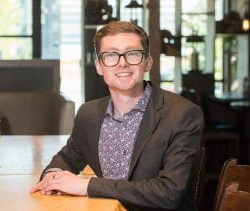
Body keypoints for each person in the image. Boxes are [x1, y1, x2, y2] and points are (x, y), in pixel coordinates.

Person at [31, 21, 204, 211]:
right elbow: (67, 158)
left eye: (132, 54)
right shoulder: (88, 114)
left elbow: (170, 193)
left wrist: (86, 186)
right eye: (111, 55)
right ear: (99, 66)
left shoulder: (182, 114)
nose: (122, 62)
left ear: (148, 62)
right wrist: (53, 176)